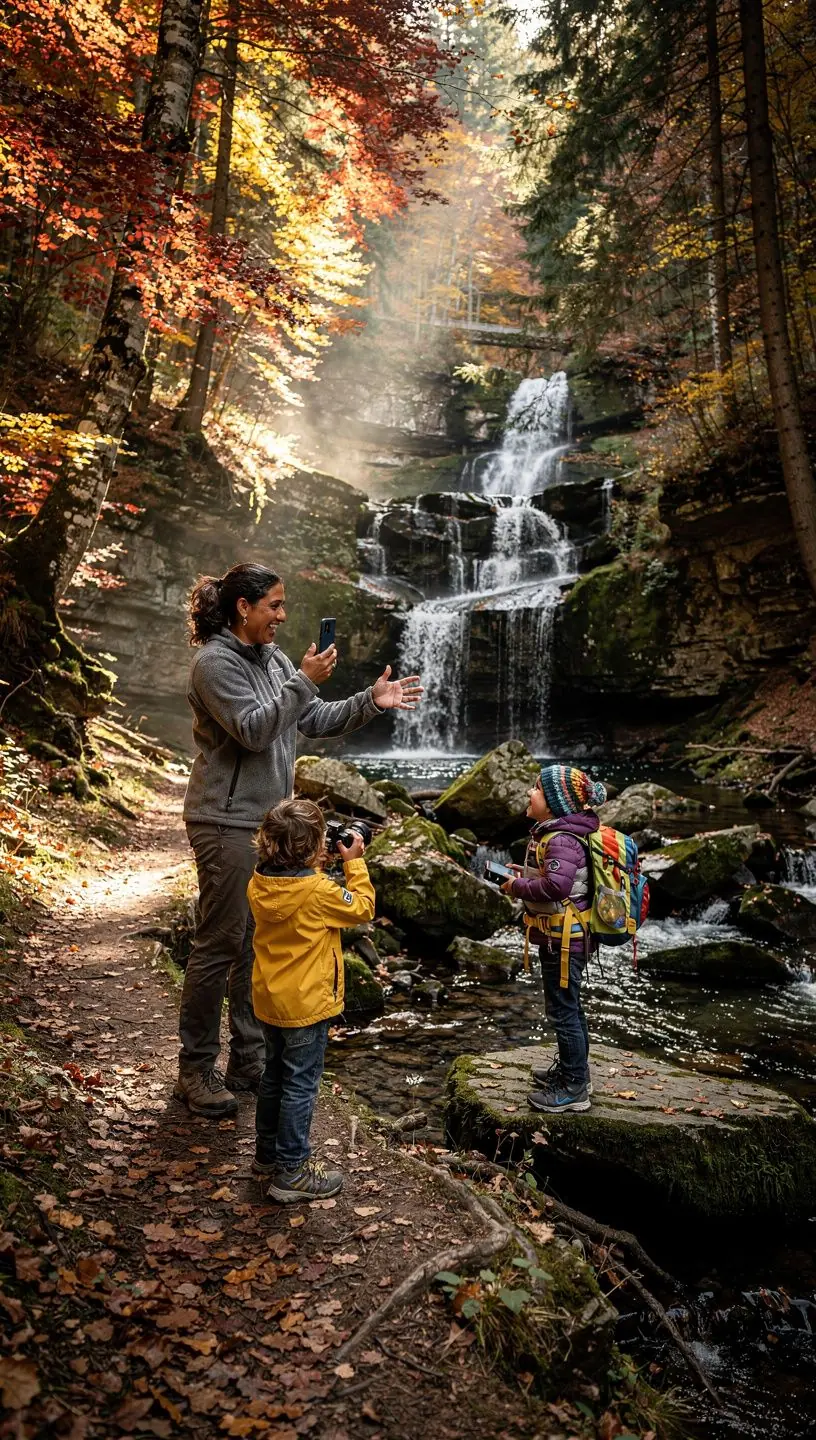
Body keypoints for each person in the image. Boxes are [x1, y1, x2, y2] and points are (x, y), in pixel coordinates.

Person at [176, 561, 421, 1119]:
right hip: (225, 822)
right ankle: (195, 1069)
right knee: (220, 943)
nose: (283, 616)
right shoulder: (214, 663)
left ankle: (247, 1062)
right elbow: (254, 730)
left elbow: (310, 719)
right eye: (275, 605)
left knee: (253, 946)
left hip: (267, 828)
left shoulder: (274, 658)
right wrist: (304, 679)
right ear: (243, 607)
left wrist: (370, 701)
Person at [247, 797, 374, 1201]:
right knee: (301, 1085)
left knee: (273, 1076)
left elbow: (295, 887)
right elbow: (363, 908)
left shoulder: (259, 881)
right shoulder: (319, 892)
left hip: (270, 999)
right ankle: (292, 1173)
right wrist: (354, 864)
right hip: (306, 1006)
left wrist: (315, 862)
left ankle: (267, 1156)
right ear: (312, 847)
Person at [501, 764, 607, 1115]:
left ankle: (574, 1088)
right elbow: (559, 877)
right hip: (564, 937)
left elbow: (556, 887)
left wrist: (517, 886)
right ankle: (577, 1074)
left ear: (555, 803)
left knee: (563, 1012)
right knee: (570, 1007)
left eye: (537, 789)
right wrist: (525, 874)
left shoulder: (561, 838)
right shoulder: (558, 833)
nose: (529, 793)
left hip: (564, 940)